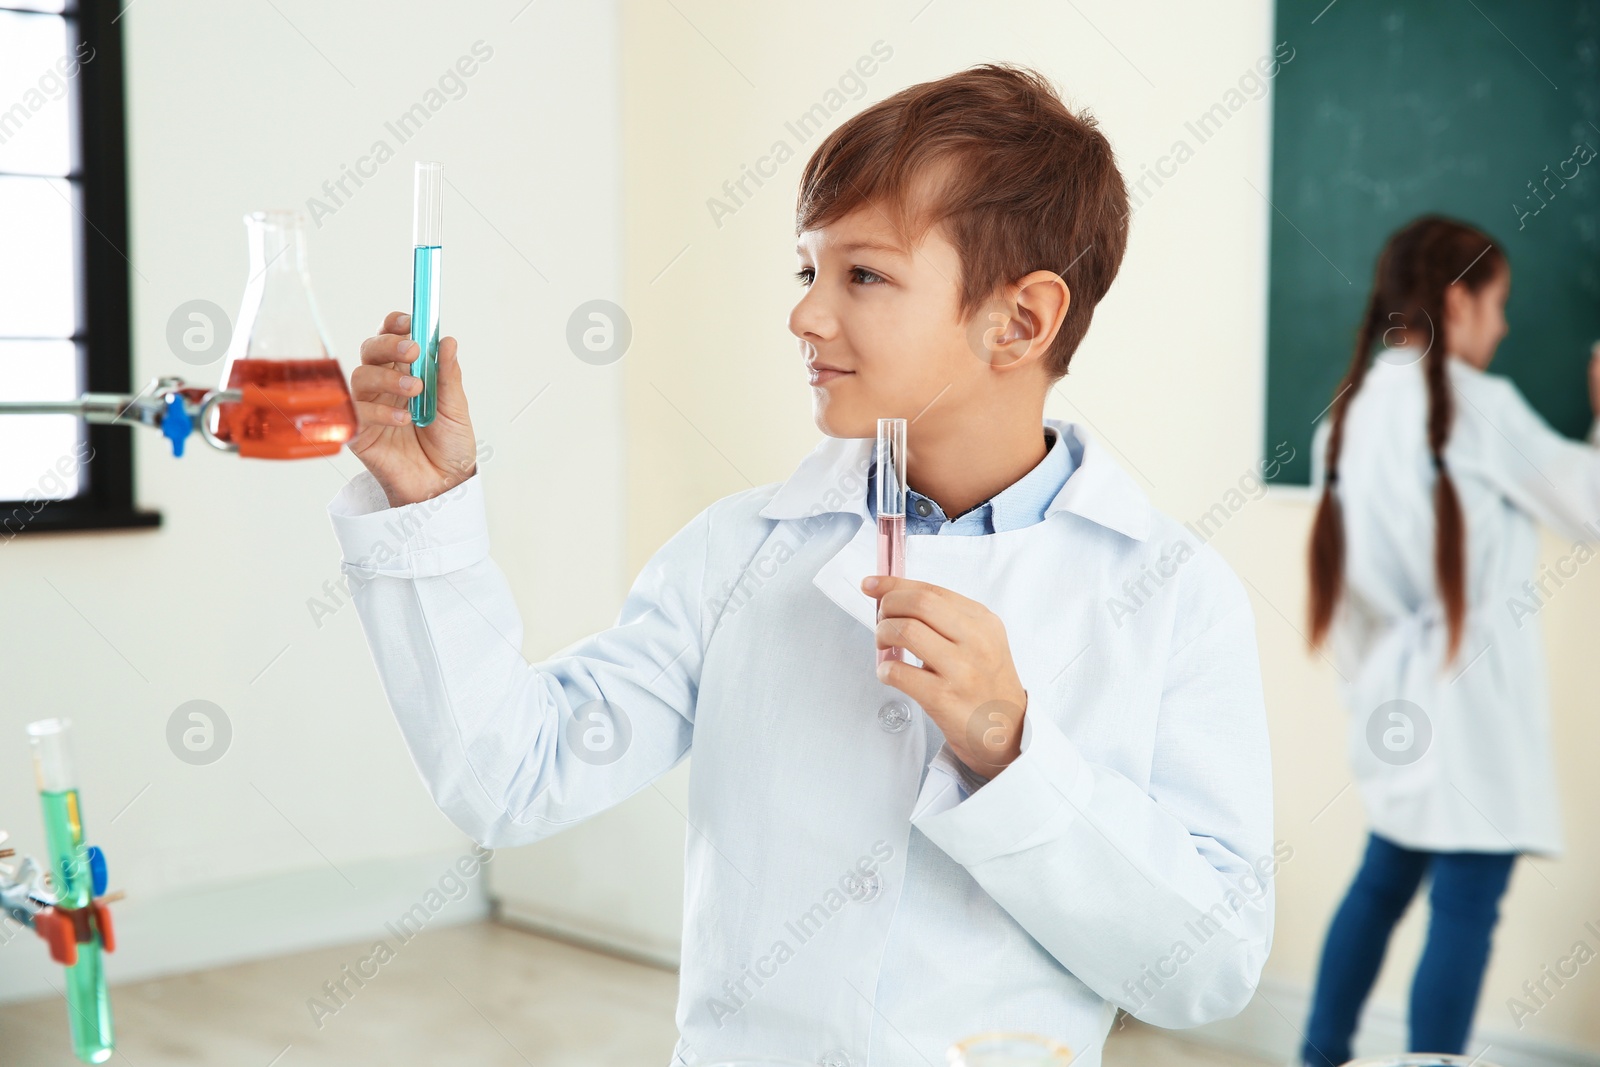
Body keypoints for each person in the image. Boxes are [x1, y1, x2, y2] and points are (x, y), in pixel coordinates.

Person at [328, 64, 1274, 1066]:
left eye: (862, 275)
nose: (805, 316)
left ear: (1021, 321)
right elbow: (506, 776)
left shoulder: (1172, 594)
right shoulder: (738, 553)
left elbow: (1204, 969)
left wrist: (1012, 753)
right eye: (806, 272)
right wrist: (426, 508)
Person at [1300, 215, 1600, 1065]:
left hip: (1392, 699)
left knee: (1385, 879)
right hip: (1477, 707)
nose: (1504, 327)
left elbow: (1351, 607)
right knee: (1467, 901)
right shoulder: (1481, 406)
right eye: (1498, 302)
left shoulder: (1344, 419)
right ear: (1459, 297)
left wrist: (1373, 702)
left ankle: (1318, 1057)